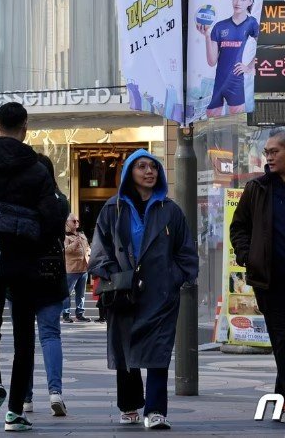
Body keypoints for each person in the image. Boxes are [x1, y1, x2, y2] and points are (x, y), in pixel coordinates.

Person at [0, 102, 66, 432]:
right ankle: (15, 412)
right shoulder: (36, 169)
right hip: (27, 261)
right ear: (25, 128)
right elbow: (51, 217)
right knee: (24, 336)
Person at [88, 150, 198, 430]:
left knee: (159, 350)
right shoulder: (113, 209)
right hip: (123, 291)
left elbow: (186, 250)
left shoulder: (170, 210)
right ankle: (129, 405)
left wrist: (177, 277)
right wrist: (112, 273)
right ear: (129, 173)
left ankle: (156, 410)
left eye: (154, 167)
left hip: (161, 292)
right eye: (142, 166)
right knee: (126, 349)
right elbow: (100, 249)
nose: (150, 171)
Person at [229, 127, 285, 411]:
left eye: (274, 151)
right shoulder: (258, 189)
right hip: (272, 280)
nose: (268, 157)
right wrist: (248, 255)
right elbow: (239, 227)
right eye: (266, 152)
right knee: (283, 340)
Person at [21, 155, 70, 418]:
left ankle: (26, 397)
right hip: (51, 273)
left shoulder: (21, 200)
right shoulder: (60, 201)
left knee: (25, 336)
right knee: (51, 335)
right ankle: (55, 392)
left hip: (23, 273)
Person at [195, 0, 259, 117]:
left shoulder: (252, 23)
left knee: (237, 121)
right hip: (219, 81)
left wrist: (248, 67)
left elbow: (262, 46)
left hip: (236, 82)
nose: (238, 2)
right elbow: (212, 62)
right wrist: (207, 36)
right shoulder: (219, 26)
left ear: (250, 2)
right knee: (210, 117)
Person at [63, 214, 91, 323]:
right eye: (74, 221)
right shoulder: (65, 236)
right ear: (67, 223)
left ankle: (80, 314)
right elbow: (64, 251)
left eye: (77, 221)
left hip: (84, 268)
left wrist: (89, 254)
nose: (76, 223)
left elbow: (87, 247)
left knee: (81, 293)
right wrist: (74, 244)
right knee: (68, 293)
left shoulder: (82, 235)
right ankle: (66, 314)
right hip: (72, 269)